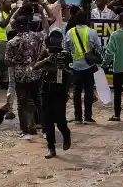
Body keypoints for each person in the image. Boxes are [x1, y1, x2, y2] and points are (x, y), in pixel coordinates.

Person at [5, 11, 48, 140]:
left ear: (17, 26)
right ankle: (45, 129)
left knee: (21, 104)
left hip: (20, 76)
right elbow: (46, 29)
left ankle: (25, 130)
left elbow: (7, 62)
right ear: (28, 25)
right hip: (36, 74)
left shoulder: (12, 42)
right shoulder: (37, 37)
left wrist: (19, 62)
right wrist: (41, 10)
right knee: (39, 101)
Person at [33, 29, 72, 158]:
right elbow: (35, 66)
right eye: (53, 38)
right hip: (46, 91)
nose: (55, 41)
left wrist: (63, 68)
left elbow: (72, 74)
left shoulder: (66, 55)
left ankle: (66, 135)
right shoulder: (46, 52)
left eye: (58, 39)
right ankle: (51, 148)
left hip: (59, 92)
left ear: (61, 40)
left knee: (60, 120)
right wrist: (47, 60)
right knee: (47, 120)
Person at [63, 11, 102, 124]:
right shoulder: (92, 32)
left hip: (75, 66)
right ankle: (88, 117)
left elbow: (66, 49)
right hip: (89, 65)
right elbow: (99, 48)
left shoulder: (70, 32)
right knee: (89, 90)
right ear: (86, 20)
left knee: (76, 91)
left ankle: (78, 117)